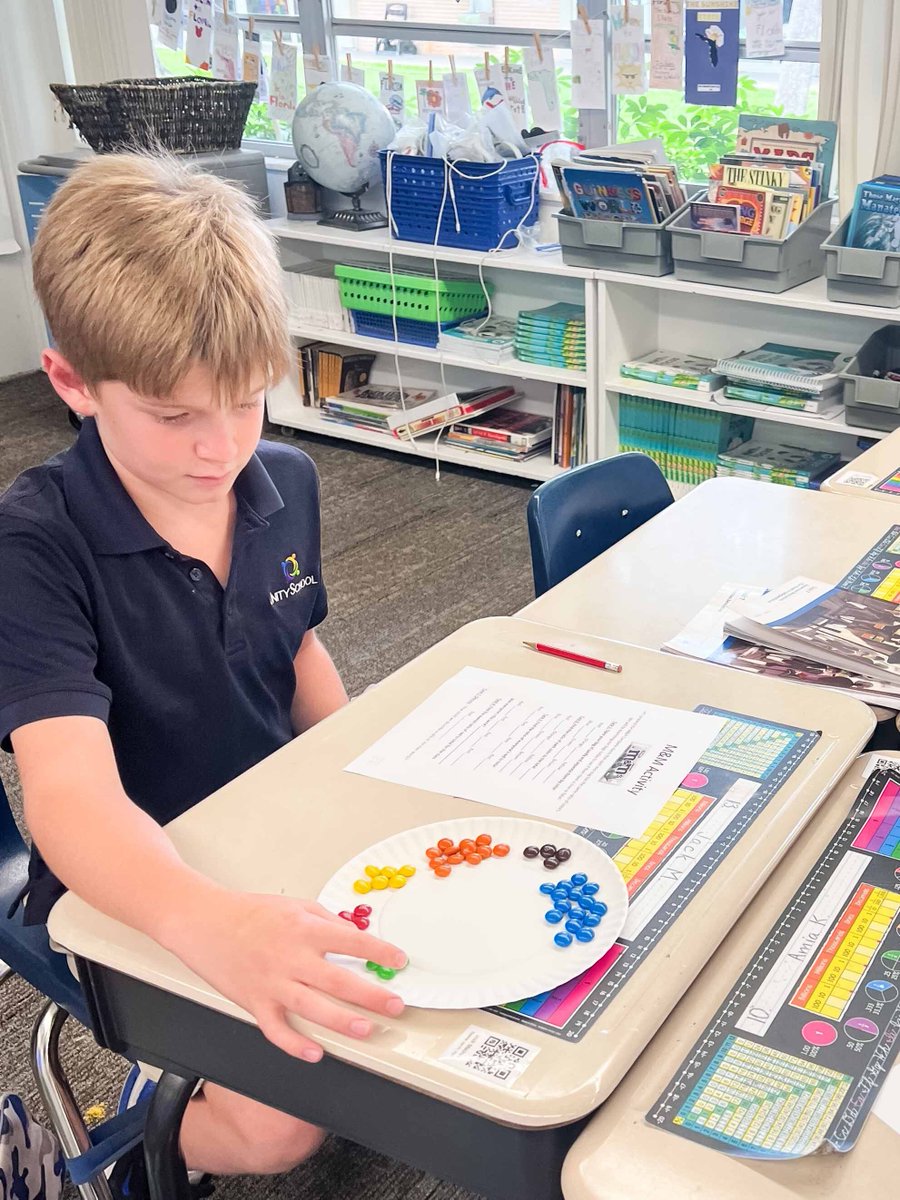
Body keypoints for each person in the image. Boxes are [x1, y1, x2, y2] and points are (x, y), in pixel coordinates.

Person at [0, 153, 406, 1195]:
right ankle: (118, 1153)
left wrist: (361, 778)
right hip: (133, 883)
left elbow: (297, 649)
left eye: (244, 401)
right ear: (72, 385)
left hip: (275, 831)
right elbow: (69, 799)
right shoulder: (34, 547)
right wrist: (211, 921)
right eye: (174, 415)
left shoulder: (286, 480)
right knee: (279, 1134)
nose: (218, 446)